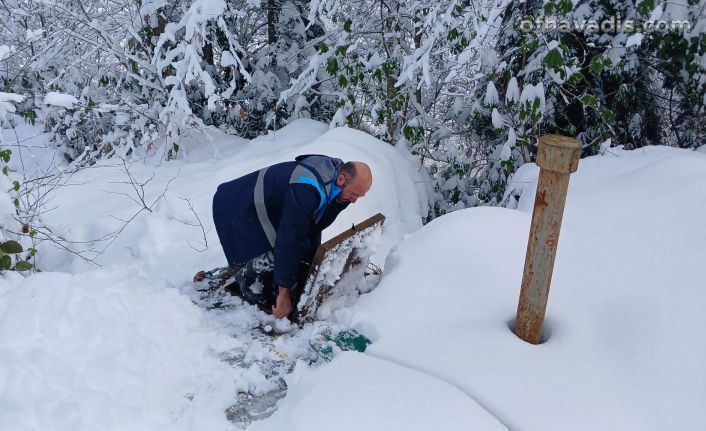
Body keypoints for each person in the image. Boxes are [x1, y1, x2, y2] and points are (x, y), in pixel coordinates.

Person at [210, 154, 372, 319]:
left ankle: (268, 273)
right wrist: (284, 292)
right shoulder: (307, 189)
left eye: (359, 196)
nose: (354, 201)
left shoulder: (337, 187)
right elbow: (289, 238)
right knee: (275, 250)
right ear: (341, 179)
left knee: (297, 249)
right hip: (239, 208)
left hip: (271, 208)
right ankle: (248, 280)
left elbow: (313, 225)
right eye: (354, 194)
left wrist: (311, 264)